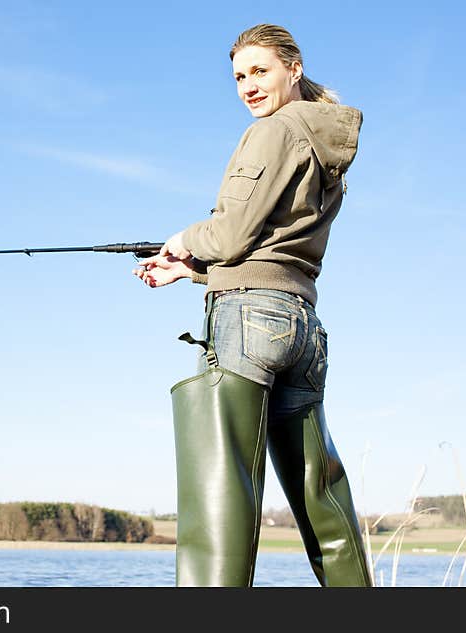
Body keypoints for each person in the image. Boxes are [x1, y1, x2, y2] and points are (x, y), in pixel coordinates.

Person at [133, 23, 373, 587]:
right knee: (322, 499)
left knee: (219, 500)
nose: (248, 86)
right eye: (239, 77)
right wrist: (193, 269)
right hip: (302, 327)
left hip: (248, 323)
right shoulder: (321, 138)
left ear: (294, 66)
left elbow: (235, 233)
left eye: (259, 71)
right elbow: (273, 245)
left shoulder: (275, 131)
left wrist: (185, 239)